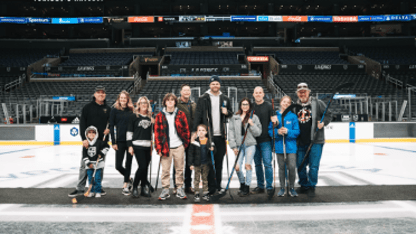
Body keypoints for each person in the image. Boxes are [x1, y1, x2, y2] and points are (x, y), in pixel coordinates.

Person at [193, 75, 232, 195]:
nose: (215, 85)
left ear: (220, 85)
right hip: (207, 135)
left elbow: (230, 113)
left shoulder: (225, 98)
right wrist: (196, 131)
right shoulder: (203, 98)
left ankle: (218, 184)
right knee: (209, 162)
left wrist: (227, 112)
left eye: (217, 83)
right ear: (210, 85)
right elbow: (198, 115)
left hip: (220, 135)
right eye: (213, 83)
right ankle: (211, 186)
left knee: (219, 162)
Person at [68, 85, 111, 198]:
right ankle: (80, 188)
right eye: (98, 92)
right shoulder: (87, 108)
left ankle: (97, 187)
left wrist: (109, 130)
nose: (101, 94)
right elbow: (82, 124)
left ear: (105, 95)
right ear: (94, 94)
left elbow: (111, 123)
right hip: (89, 142)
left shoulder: (108, 109)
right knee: (84, 165)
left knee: (99, 165)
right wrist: (83, 138)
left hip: (101, 143)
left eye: (103, 92)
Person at [294, 83, 332, 197]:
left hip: (316, 141)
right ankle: (304, 185)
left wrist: (323, 122)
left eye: (304, 91)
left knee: (313, 166)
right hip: (300, 142)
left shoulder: (318, 103)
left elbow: (328, 115)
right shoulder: (295, 107)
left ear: (308, 92)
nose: (302, 93)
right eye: (300, 92)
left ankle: (311, 186)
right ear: (297, 94)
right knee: (300, 165)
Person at [154, 93, 190, 200]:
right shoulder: (160, 116)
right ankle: (165, 189)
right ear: (164, 102)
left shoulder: (180, 114)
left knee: (179, 169)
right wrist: (158, 148)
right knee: (165, 170)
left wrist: (185, 144)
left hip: (179, 146)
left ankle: (179, 188)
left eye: (172, 100)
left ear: (175, 102)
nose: (170, 102)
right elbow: (157, 134)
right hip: (166, 147)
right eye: (168, 100)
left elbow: (186, 130)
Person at [228, 98, 262, 196]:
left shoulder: (254, 117)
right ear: (240, 105)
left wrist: (252, 124)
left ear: (249, 106)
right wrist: (233, 146)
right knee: (237, 167)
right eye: (243, 104)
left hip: (250, 144)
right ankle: (242, 184)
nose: (245, 106)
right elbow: (231, 132)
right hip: (239, 145)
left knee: (248, 165)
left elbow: (258, 132)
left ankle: (247, 187)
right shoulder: (235, 117)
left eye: (247, 104)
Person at [268, 96, 300, 197]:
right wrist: (277, 131)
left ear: (290, 105)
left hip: (291, 147)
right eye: (284, 102)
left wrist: (288, 131)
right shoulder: (275, 115)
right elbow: (270, 131)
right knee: (281, 168)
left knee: (291, 167)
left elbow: (297, 131)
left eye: (288, 103)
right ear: (281, 102)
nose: (286, 104)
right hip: (279, 146)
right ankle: (282, 188)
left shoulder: (293, 116)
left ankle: (291, 187)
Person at [251, 86, 278, 196]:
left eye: (260, 92)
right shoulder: (251, 107)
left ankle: (269, 186)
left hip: (266, 140)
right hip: (253, 140)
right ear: (253, 94)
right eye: (256, 92)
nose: (258, 94)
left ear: (263, 94)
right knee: (257, 164)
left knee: (267, 164)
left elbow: (275, 122)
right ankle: (261, 186)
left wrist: (275, 122)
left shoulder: (268, 105)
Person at [127, 96, 154, 198]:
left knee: (145, 168)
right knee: (142, 166)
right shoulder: (134, 116)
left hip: (148, 146)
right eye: (142, 103)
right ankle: (135, 187)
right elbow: (129, 132)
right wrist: (130, 146)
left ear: (148, 105)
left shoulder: (150, 117)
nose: (144, 105)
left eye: (145, 103)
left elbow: (152, 134)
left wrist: (154, 123)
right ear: (138, 104)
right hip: (137, 145)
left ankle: (143, 188)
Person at [109, 90, 134, 196]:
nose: (123, 100)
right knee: (118, 166)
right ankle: (129, 178)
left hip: (130, 141)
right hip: (119, 141)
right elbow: (111, 126)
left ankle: (125, 184)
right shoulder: (114, 110)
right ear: (119, 99)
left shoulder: (131, 111)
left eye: (125, 98)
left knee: (128, 163)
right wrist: (113, 142)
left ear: (128, 99)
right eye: (121, 98)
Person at [173, 84, 197, 195]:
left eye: (188, 90)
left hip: (191, 137)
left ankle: (188, 185)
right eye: (185, 90)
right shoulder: (176, 103)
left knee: (189, 163)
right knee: (178, 163)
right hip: (179, 137)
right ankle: (176, 186)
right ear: (181, 92)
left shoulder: (193, 104)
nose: (187, 92)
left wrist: (196, 132)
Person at [188, 124, 214, 202]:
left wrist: (212, 149)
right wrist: (190, 164)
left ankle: (205, 193)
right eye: (199, 130)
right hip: (197, 164)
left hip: (206, 163)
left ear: (206, 132)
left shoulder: (209, 141)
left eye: (203, 130)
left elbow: (214, 152)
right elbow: (190, 154)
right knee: (196, 179)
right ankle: (196, 193)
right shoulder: (194, 142)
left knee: (205, 178)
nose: (201, 132)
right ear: (197, 132)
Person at [83, 126, 109, 198]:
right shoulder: (86, 144)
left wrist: (101, 153)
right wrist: (88, 163)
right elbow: (84, 155)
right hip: (89, 165)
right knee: (90, 178)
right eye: (89, 132)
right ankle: (91, 191)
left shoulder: (99, 142)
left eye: (93, 132)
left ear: (96, 133)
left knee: (97, 178)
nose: (91, 134)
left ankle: (98, 191)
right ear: (87, 134)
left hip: (98, 164)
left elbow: (107, 147)